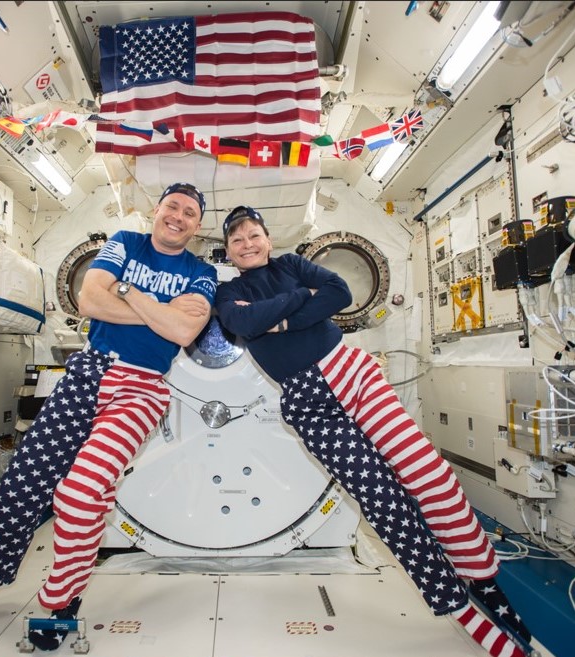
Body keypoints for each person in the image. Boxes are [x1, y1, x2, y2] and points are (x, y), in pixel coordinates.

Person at [215, 205, 532, 657]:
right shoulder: (228, 292)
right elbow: (242, 323)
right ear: (228, 250)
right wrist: (299, 301)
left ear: (268, 238)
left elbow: (339, 292)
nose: (248, 244)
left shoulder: (290, 264)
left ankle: (482, 579)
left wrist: (277, 318)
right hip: (309, 404)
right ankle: (453, 601)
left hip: (352, 372)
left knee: (429, 474)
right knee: (383, 501)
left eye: (254, 234)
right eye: (237, 239)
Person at [0, 182, 217, 652]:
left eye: (189, 212)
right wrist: (159, 309)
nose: (178, 216)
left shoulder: (200, 272)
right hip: (89, 373)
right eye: (172, 206)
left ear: (197, 225)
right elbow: (89, 301)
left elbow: (184, 329)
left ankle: (61, 596)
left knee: (80, 493)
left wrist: (127, 292)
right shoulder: (125, 241)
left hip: (141, 389)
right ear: (156, 210)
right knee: (23, 482)